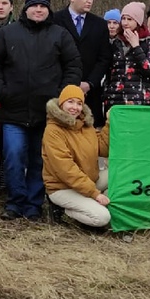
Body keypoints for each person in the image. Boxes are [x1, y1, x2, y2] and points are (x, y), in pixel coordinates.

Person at [0, 0, 82, 222]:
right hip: (13, 110)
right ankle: (15, 202)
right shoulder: (8, 34)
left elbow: (73, 66)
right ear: (26, 8)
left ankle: (33, 205)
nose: (38, 10)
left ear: (48, 10)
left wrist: (61, 99)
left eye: (43, 6)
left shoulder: (60, 34)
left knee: (40, 159)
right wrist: (1, 92)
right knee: (14, 156)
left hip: (47, 113)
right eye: (34, 6)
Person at [42, 84, 111, 230]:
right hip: (62, 188)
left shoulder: (85, 125)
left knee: (117, 175)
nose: (75, 107)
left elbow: (103, 149)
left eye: (79, 103)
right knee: (102, 217)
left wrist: (109, 123)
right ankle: (64, 212)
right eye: (70, 102)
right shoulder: (53, 130)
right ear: (61, 104)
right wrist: (95, 194)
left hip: (87, 182)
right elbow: (66, 170)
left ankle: (88, 204)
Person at [52, 0, 112, 125]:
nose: (89, 0)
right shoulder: (55, 20)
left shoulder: (100, 24)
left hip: (90, 93)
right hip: (59, 89)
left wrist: (90, 83)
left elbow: (104, 58)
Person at [105, 2, 150, 110]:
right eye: (123, 19)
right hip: (114, 100)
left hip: (139, 100)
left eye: (129, 19)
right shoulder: (115, 41)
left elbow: (149, 69)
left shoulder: (149, 42)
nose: (125, 23)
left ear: (138, 22)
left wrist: (136, 46)